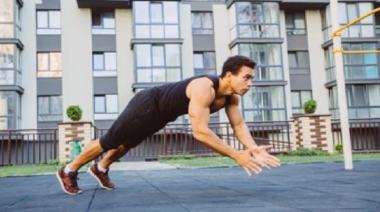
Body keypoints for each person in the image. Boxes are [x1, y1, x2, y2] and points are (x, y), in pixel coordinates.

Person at [56, 55, 281, 195]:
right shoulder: (204, 87)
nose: (250, 83)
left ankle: (100, 168)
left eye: (251, 79)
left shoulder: (232, 98)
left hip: (162, 115)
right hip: (148, 103)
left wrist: (251, 149)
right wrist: (237, 155)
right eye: (247, 77)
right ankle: (68, 170)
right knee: (111, 140)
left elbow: (239, 124)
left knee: (129, 143)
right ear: (229, 75)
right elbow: (200, 132)